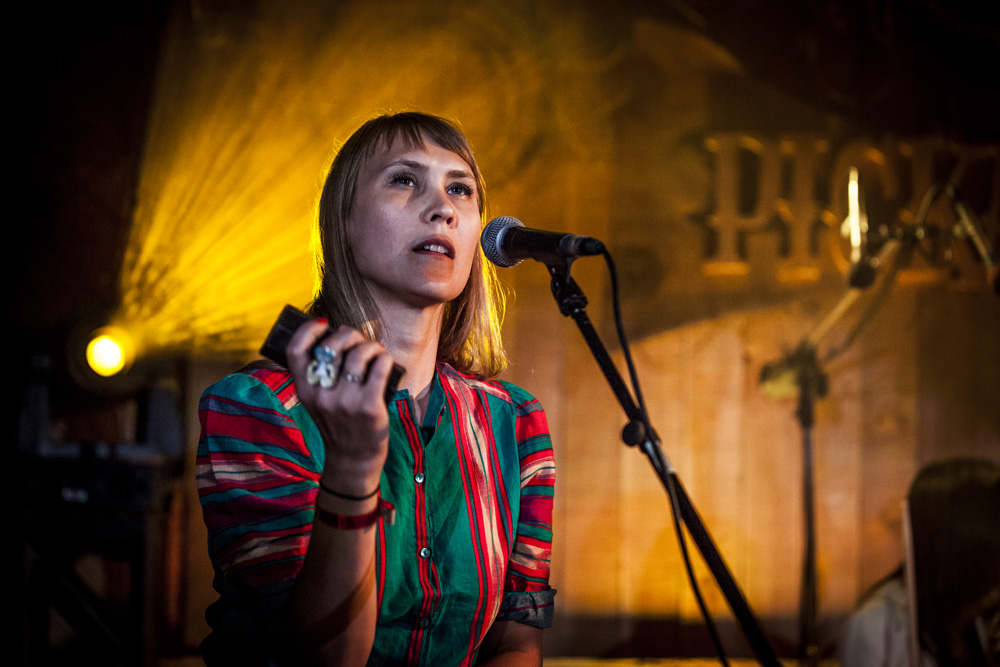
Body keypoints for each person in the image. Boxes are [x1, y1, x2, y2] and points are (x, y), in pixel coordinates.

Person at [196, 112, 556, 666]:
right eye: (404, 180)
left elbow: (516, 642)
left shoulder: (514, 422)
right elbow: (326, 656)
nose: (443, 208)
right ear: (342, 222)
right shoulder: (257, 407)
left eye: (460, 189)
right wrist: (354, 466)